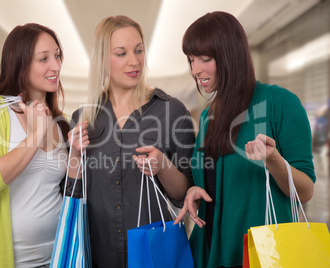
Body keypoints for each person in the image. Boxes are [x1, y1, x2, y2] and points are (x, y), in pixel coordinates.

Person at [174, 11, 315, 268]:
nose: (195, 70)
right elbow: (215, 180)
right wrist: (196, 189)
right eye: (191, 59)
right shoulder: (208, 116)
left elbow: (304, 191)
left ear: (230, 56)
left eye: (205, 59)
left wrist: (273, 160)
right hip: (211, 251)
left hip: (262, 255)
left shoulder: (279, 103)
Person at [67, 15, 195, 267]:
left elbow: (185, 193)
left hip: (154, 253)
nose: (134, 61)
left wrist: (162, 166)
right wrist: (73, 156)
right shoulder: (83, 119)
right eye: (121, 53)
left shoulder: (171, 111)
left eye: (138, 51)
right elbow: (74, 195)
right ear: (103, 60)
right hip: (99, 254)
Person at [0, 23, 70, 268]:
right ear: (20, 63)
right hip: (12, 260)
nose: (55, 66)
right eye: (43, 59)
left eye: (57, 56)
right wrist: (36, 134)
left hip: (59, 257)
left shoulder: (61, 123)